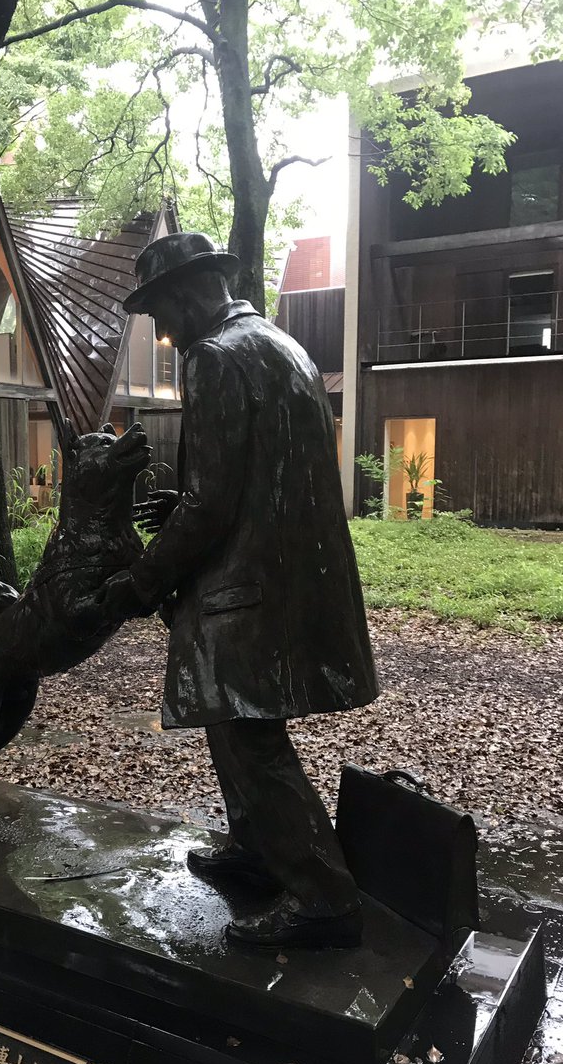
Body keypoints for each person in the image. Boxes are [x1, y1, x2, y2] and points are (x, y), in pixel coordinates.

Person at [99, 232, 378, 949]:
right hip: (288, 572)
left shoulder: (215, 357)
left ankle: (322, 894)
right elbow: (267, 474)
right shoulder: (281, 346)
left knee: (248, 734)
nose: (164, 334)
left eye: (162, 314)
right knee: (235, 721)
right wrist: (190, 507)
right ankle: (258, 849)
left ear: (192, 293)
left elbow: (211, 506)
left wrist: (142, 580)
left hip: (247, 585)